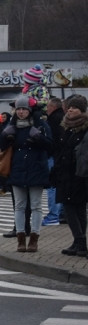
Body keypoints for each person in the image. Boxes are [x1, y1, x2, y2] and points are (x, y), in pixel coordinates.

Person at [0, 94, 52, 252]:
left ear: (30, 110)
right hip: (18, 169)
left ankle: (34, 238)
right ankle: (21, 239)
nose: (21, 112)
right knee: (19, 206)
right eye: (18, 109)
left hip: (36, 168)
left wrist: (38, 138)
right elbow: (2, 148)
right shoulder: (12, 126)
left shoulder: (40, 125)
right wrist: (5, 137)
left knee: (36, 206)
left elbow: (51, 146)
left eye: (24, 109)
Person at [56, 95, 88, 257]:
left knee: (75, 208)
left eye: (74, 107)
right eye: (69, 107)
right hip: (66, 173)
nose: (70, 110)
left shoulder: (84, 128)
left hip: (79, 174)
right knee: (72, 207)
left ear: (82, 110)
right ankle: (79, 241)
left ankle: (80, 241)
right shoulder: (66, 127)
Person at [42, 96, 65, 226]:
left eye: (48, 106)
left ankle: (53, 215)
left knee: (53, 186)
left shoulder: (52, 121)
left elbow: (52, 141)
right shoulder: (64, 118)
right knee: (60, 185)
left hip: (54, 157)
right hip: (62, 157)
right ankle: (61, 213)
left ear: (53, 107)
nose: (47, 109)